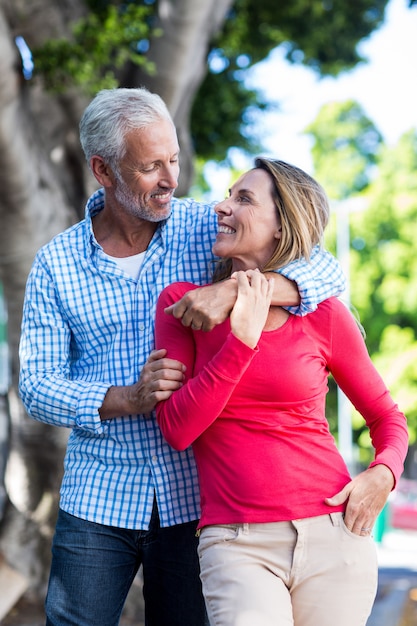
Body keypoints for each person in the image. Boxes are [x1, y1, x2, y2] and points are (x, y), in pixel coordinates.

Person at [18, 88, 346, 626]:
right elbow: (36, 383)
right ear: (103, 170)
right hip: (98, 497)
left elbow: (324, 272)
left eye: (173, 158)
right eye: (151, 166)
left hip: (198, 498)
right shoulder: (56, 264)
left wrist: (234, 291)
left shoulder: (204, 226)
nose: (171, 178)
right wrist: (124, 398)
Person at [155, 158, 409, 626]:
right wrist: (241, 342)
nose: (223, 207)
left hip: (336, 531)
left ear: (281, 225)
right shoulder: (184, 304)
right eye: (228, 195)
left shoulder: (325, 316)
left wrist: (384, 474)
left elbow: (387, 417)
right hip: (236, 541)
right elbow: (177, 429)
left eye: (243, 199)